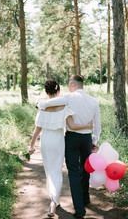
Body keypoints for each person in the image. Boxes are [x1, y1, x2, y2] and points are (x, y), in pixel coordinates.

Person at [37, 75, 101, 219]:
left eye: (69, 85)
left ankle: (79, 210)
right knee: (86, 170)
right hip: (86, 138)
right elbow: (97, 125)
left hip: (72, 138)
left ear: (73, 85)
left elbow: (48, 103)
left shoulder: (69, 97)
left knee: (73, 172)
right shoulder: (94, 101)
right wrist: (94, 141)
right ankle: (85, 199)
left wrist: (39, 105)